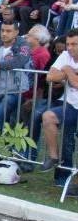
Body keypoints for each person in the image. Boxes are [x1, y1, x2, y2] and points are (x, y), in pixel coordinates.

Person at [38, 30, 78, 192]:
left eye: (74, 44)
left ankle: (71, 182)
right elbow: (50, 77)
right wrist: (68, 71)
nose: (70, 47)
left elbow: (75, 83)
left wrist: (67, 71)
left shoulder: (67, 62)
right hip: (70, 105)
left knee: (70, 144)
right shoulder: (65, 57)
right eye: (68, 44)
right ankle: (54, 157)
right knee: (48, 116)